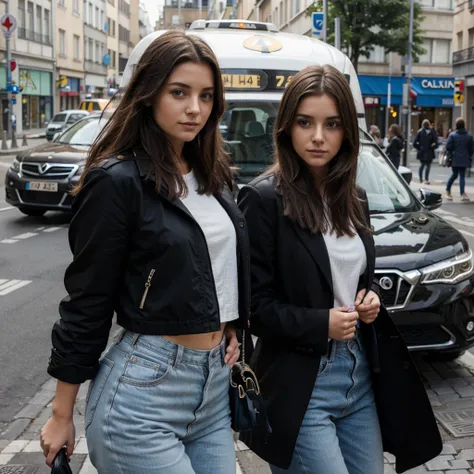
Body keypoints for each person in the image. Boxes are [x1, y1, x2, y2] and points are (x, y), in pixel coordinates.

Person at [40, 30, 250, 474]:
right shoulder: (117, 182)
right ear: (149, 94)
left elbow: (216, 267)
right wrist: (62, 414)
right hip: (143, 390)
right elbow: (87, 301)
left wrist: (232, 325)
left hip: (212, 388)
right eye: (179, 92)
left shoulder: (215, 176)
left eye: (206, 95)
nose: (195, 108)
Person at [238, 65, 442, 474]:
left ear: (347, 130)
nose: (318, 137)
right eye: (305, 122)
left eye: (331, 124)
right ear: (286, 128)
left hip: (358, 372)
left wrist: (368, 301)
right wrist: (321, 323)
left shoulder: (355, 198)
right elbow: (253, 309)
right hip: (300, 383)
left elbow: (353, 281)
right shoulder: (264, 200)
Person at [445, 117, 474, 202]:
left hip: (455, 158)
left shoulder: (452, 135)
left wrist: (453, 152)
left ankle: (448, 191)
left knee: (454, 175)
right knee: (462, 176)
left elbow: (448, 147)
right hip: (465, 158)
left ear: (456, 126)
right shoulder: (469, 136)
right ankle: (462, 194)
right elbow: (472, 149)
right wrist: (468, 155)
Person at [413, 119, 437, 184]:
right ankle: (426, 179)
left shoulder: (420, 132)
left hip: (422, 151)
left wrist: (419, 148)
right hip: (429, 151)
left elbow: (414, 143)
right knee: (428, 166)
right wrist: (433, 147)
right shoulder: (432, 131)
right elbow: (435, 141)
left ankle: (421, 179)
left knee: (422, 165)